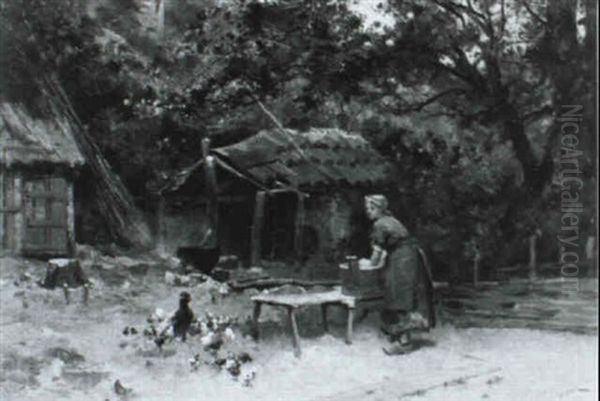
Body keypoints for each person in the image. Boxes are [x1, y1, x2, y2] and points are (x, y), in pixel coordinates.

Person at [364, 194, 436, 355]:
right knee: (402, 296)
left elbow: (377, 254)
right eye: (367, 208)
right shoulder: (390, 220)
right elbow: (388, 247)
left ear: (380, 209)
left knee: (399, 298)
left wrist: (366, 265)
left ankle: (403, 343)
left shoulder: (380, 224)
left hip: (403, 259)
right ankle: (398, 335)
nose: (368, 211)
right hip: (408, 256)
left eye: (372, 208)